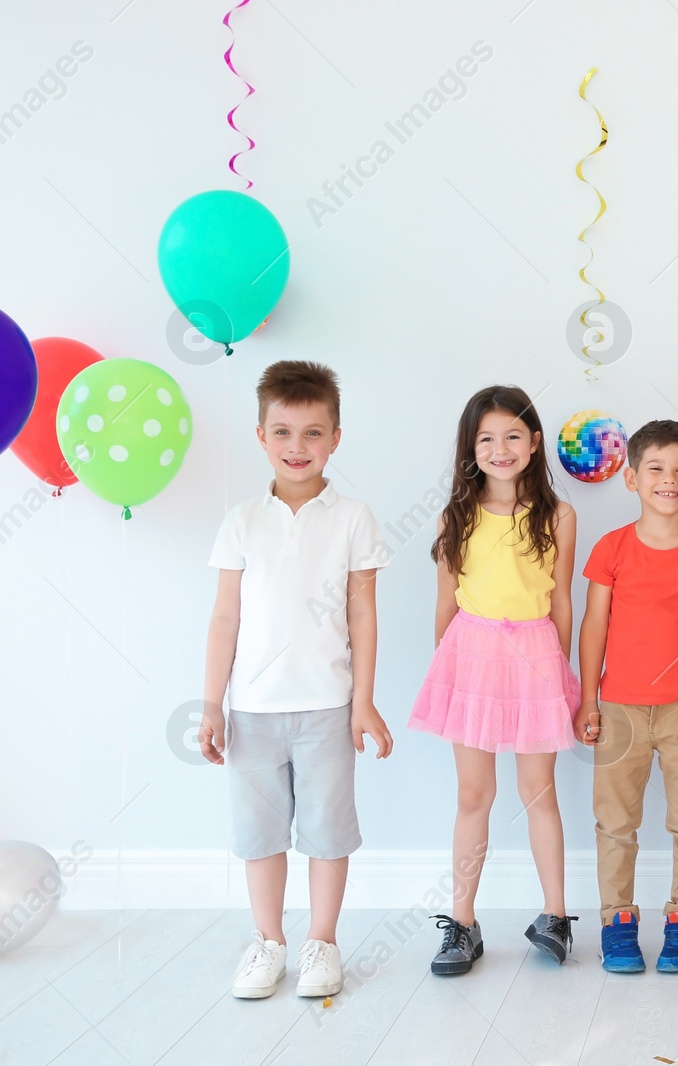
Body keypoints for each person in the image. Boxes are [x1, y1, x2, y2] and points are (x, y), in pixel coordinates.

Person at [201, 360, 393, 1000]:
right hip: (251, 711)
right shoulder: (241, 521)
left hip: (327, 709)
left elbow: (362, 613)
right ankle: (268, 943)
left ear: (335, 437)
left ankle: (322, 943)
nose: (297, 447)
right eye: (282, 432)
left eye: (313, 433)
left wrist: (362, 702)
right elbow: (224, 617)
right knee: (260, 837)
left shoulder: (353, 518)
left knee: (327, 831)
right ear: (261, 436)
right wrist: (211, 706)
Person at [409, 385, 581, 973]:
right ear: (470, 448)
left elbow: (561, 601)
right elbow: (445, 602)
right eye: (486, 438)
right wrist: (447, 669)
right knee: (473, 793)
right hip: (472, 654)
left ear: (534, 443)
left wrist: (560, 671)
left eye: (513, 435)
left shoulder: (558, 515)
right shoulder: (455, 515)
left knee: (540, 791)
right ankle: (462, 923)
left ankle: (555, 916)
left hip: (534, 654)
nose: (500, 448)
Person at [577, 420, 678, 974]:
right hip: (618, 709)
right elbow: (594, 625)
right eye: (656, 469)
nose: (668, 480)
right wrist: (588, 698)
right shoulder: (612, 549)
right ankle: (616, 921)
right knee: (615, 822)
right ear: (631, 479)